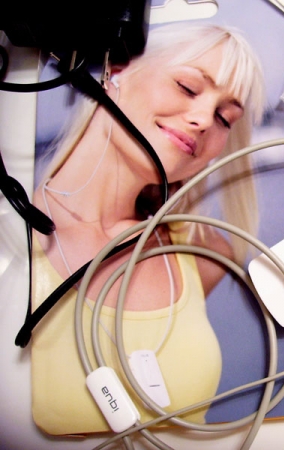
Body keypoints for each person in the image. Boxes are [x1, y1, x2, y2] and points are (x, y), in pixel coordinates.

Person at [29, 22, 266, 435]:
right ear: (115, 70)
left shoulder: (205, 255)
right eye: (188, 87)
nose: (203, 120)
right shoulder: (14, 234)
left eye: (225, 118)